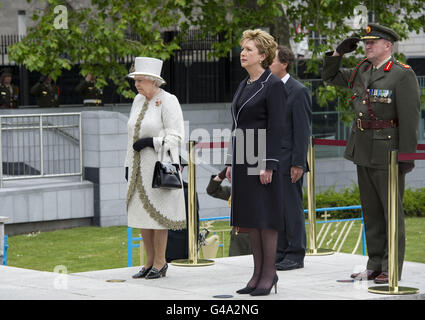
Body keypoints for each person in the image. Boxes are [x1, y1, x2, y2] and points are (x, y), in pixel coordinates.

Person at [322, 24, 420, 284]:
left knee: (391, 213)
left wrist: (406, 157)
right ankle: (374, 265)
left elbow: (410, 119)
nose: (367, 45)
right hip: (363, 148)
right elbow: (330, 77)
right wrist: (336, 53)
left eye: (373, 42)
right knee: (371, 212)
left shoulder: (401, 74)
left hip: (388, 151)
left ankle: (391, 268)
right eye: (365, 42)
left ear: (388, 45)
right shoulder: (362, 69)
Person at [225, 29, 287, 296]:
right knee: (251, 219)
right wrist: (230, 162)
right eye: (243, 49)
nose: (243, 53)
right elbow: (237, 125)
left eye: (249, 49)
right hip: (244, 156)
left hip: (261, 156)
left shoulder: (272, 85)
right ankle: (257, 274)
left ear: (262, 55)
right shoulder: (244, 84)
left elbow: (277, 127)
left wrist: (268, 164)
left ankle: (269, 274)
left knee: (265, 218)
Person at [124, 57, 186, 280]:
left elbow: (177, 136)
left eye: (141, 80)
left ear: (153, 81)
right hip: (138, 167)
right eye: (135, 80)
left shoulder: (169, 100)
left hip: (158, 166)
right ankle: (148, 262)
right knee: (142, 216)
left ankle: (161, 263)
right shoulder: (137, 101)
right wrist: (127, 164)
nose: (137, 84)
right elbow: (130, 136)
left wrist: (152, 142)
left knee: (159, 217)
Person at [270, 45, 312, 271]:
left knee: (291, 208)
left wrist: (298, 163)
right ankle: (281, 251)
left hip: (289, 161)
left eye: (271, 61)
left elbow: (302, 131)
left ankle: (295, 254)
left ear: (284, 63)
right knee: (278, 208)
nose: (268, 65)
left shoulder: (298, 91)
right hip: (273, 161)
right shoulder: (270, 89)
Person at [205, 167, 251, 256]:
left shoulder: (261, 190)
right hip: (238, 238)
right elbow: (212, 190)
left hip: (258, 236)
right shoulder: (234, 191)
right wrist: (223, 174)